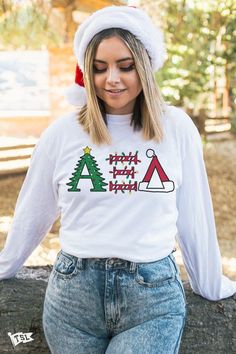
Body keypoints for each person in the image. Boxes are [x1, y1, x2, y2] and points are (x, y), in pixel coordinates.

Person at [0, 5, 235, 354]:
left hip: (152, 300)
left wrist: (210, 282)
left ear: (144, 66)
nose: (112, 78)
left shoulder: (177, 129)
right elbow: (33, 212)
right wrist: (6, 265)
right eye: (99, 68)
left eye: (125, 66)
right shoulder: (62, 133)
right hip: (72, 301)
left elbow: (194, 214)